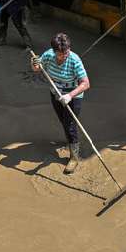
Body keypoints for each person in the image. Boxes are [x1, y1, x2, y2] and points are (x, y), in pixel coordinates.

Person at [31, 33, 90, 174]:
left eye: (66, 52)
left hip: (73, 95)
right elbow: (38, 69)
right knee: (63, 120)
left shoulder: (75, 60)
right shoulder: (48, 55)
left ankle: (74, 157)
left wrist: (69, 95)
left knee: (70, 125)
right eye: (60, 54)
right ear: (54, 51)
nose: (64, 56)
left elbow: (86, 83)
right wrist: (34, 64)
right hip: (56, 93)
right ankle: (70, 141)